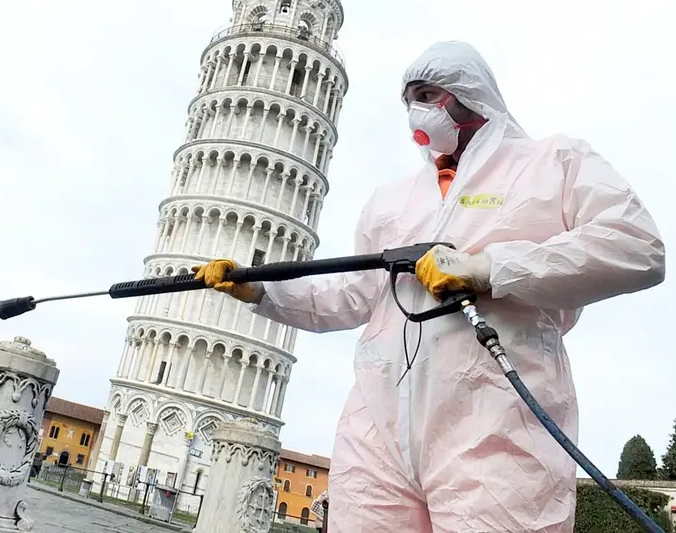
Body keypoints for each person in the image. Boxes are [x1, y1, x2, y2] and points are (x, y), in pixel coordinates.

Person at [193, 41, 665, 532]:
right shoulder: (393, 198)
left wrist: (488, 268)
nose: (415, 110)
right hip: (377, 434)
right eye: (408, 100)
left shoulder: (551, 163)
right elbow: (353, 295)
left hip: (496, 432)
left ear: (469, 92)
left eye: (426, 93)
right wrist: (263, 292)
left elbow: (635, 247)